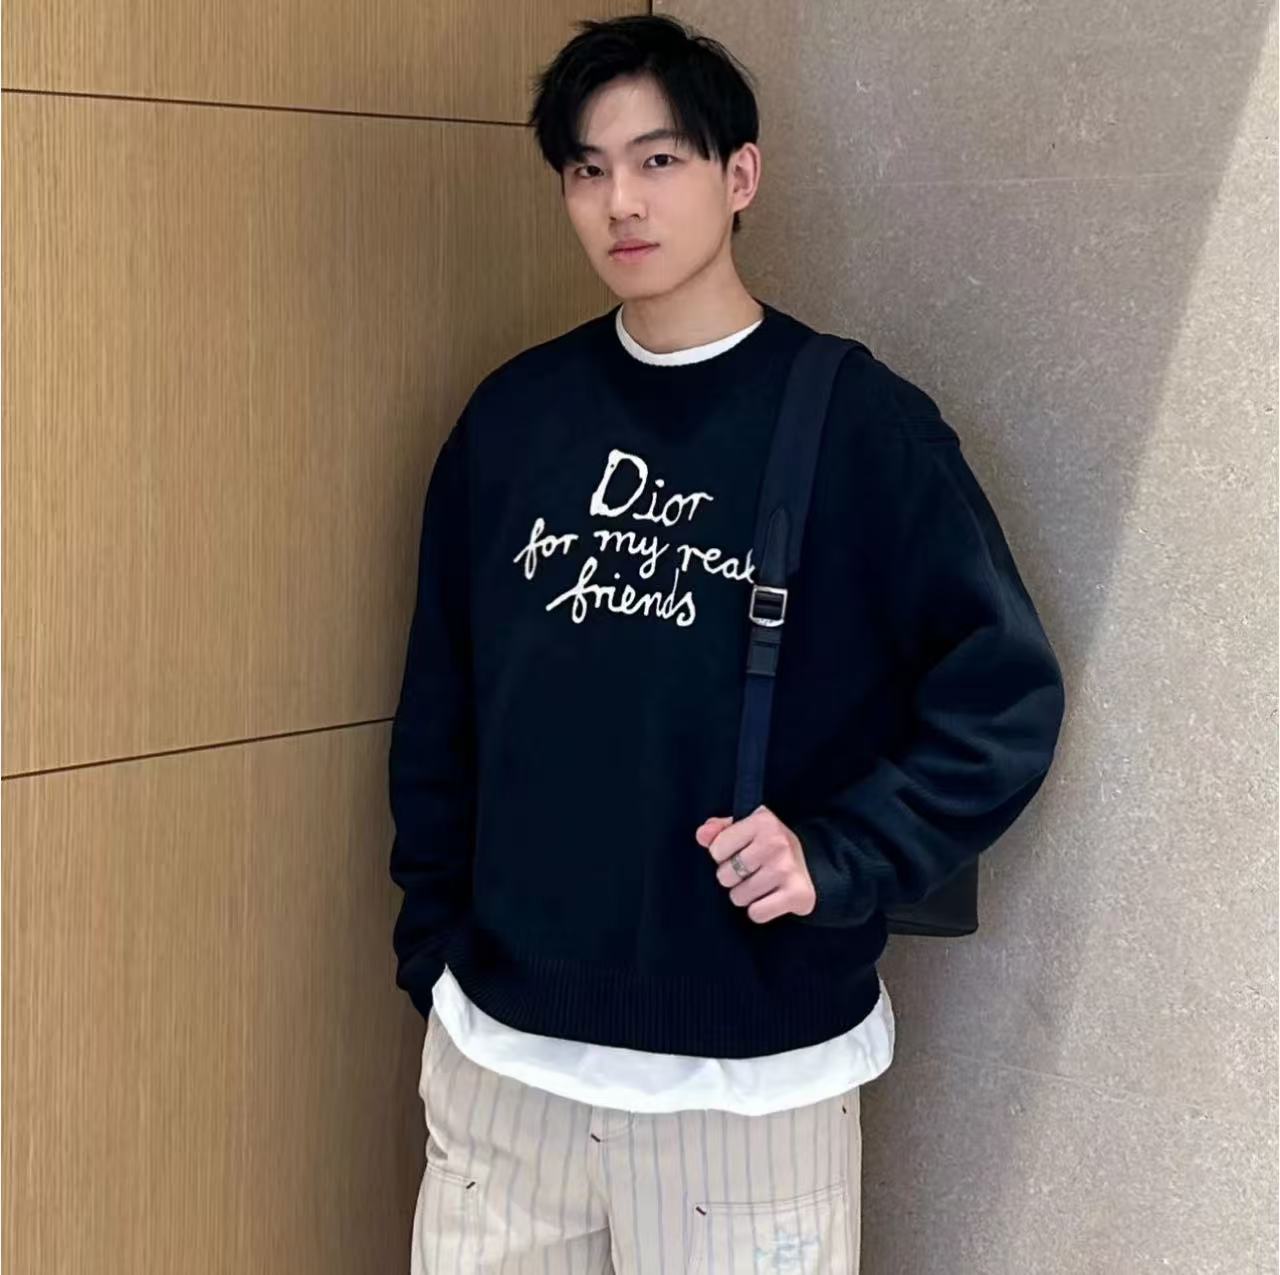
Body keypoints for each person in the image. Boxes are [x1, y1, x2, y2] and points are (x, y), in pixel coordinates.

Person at [387, 14, 1066, 1273]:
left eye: (658, 160)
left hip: (747, 1084)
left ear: (737, 175)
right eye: (586, 169)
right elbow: (444, 710)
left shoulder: (858, 426)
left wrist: (841, 854)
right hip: (501, 1065)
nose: (619, 201)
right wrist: (434, 956)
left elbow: (1000, 697)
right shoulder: (512, 421)